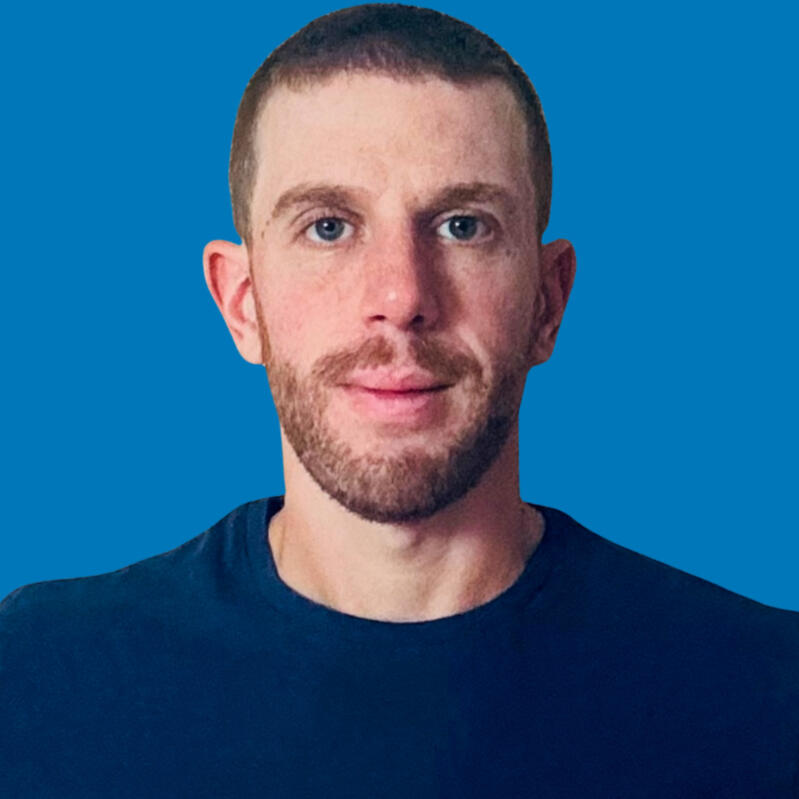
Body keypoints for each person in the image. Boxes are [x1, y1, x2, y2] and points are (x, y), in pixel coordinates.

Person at [1, 4, 797, 796]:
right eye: (328, 227)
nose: (401, 296)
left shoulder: (765, 695)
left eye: (462, 226)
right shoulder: (35, 678)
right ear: (242, 304)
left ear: (547, 302)